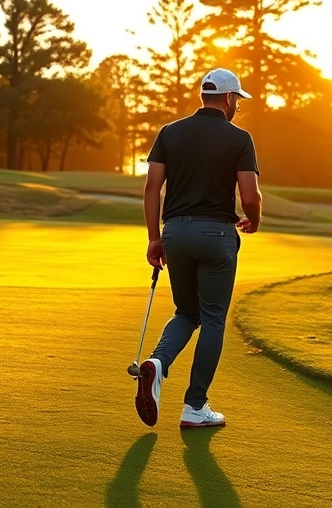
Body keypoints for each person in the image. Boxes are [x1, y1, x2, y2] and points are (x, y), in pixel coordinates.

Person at [135, 68, 262, 429]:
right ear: (227, 99)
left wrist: (154, 238)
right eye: (237, 99)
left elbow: (151, 189)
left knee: (186, 312)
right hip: (217, 236)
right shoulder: (239, 138)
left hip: (174, 233)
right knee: (213, 319)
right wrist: (254, 219)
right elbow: (249, 195)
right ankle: (195, 406)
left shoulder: (169, 133)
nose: (237, 105)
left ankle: (157, 364)